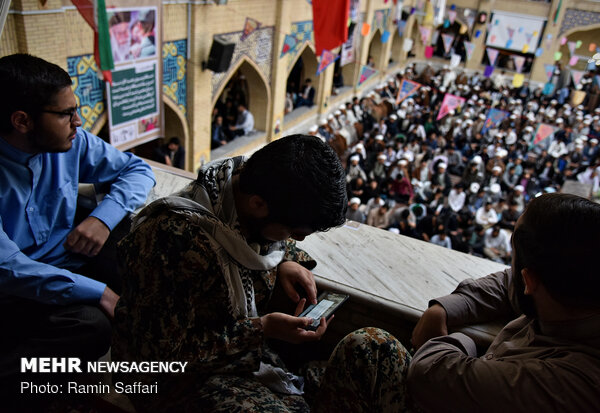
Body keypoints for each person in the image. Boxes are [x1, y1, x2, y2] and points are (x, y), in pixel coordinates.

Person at [314, 193, 600, 412]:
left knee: (365, 345)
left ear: (531, 280)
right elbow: (506, 283)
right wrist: (445, 308)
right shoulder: (576, 297)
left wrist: (462, 340)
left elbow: (430, 372)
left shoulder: (573, 387)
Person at [113, 135, 347, 411]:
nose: (297, 241)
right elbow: (163, 358)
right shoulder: (173, 243)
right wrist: (262, 329)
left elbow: (255, 240)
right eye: (295, 233)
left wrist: (284, 261)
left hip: (232, 357)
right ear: (258, 204)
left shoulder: (244, 188)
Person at [0, 54, 155, 393]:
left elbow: (138, 170)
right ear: (22, 121)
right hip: (12, 291)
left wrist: (103, 218)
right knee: (91, 327)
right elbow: (8, 268)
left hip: (66, 258)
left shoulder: (72, 144)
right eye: (66, 114)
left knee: (136, 238)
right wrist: (98, 293)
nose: (79, 121)